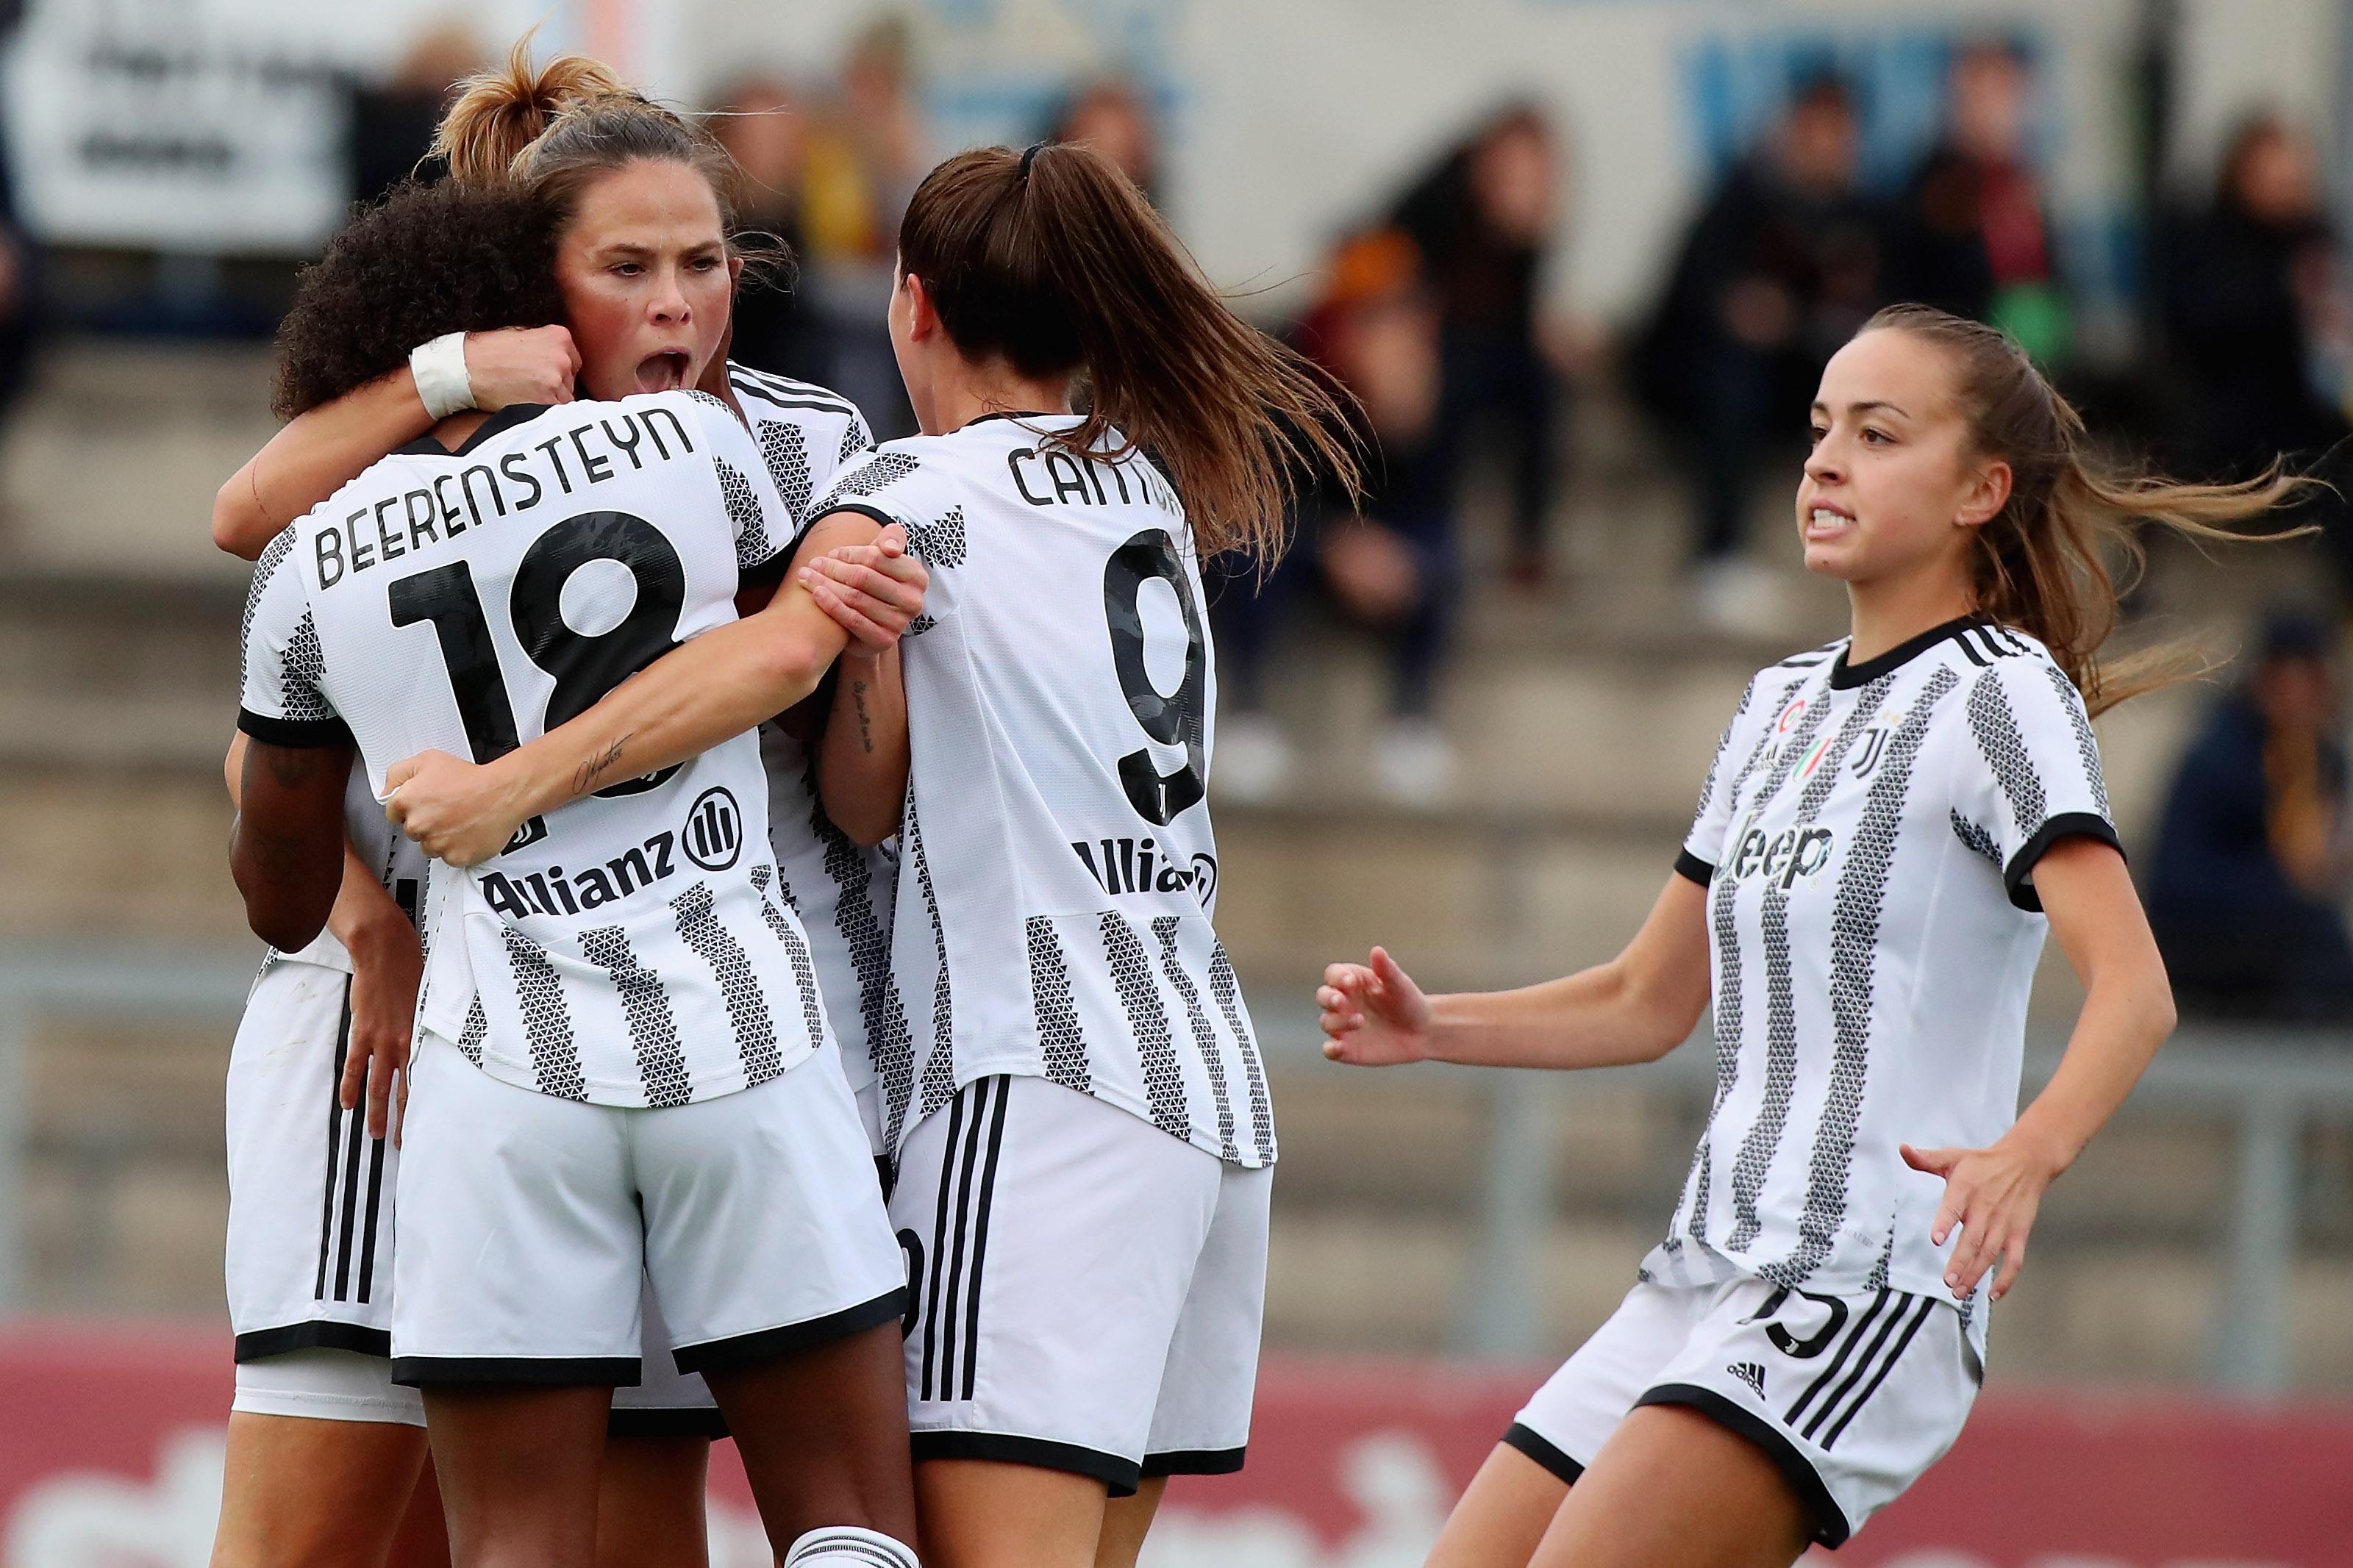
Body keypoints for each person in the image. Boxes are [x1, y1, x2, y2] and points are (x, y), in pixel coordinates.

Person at [374, 138, 1362, 1568]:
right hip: (1207, 1096)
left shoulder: (906, 488)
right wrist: (881, 667)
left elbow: (799, 709)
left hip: (1041, 1086)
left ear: (914, 304)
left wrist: (511, 783)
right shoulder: (1142, 485)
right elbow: (879, 788)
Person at [1320, 304, 2297, 1566]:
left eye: (1878, 435)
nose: (1827, 462)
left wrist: (2027, 1153)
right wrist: (1434, 1025)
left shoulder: (2003, 693)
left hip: (1861, 1282)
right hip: (1701, 1280)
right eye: (1821, 429)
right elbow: (1645, 997)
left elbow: (2135, 990)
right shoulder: (1778, 704)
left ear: (1982, 490)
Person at [209, 49, 908, 1564]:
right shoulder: (535, 449)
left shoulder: (791, 434)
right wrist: (371, 919)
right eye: (628, 267)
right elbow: (252, 589)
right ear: (529, 295)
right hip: (454, 1046)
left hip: (628, 1041)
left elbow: (854, 781)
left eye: (703, 262)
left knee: (591, 1524)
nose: (676, 302)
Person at [1215, 226, 1460, 804]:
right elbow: (1255, 500)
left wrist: (1404, 428)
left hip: (1379, 547)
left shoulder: (1432, 376)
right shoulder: (1285, 372)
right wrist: (1333, 544)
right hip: (1296, 543)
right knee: (1244, 551)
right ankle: (1246, 716)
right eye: (1372, 316)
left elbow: (1428, 505)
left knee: (1442, 557)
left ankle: (1411, 720)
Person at [1634, 76, 1885, 637]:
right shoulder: (1739, 200)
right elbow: (1689, 302)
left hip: (1802, 378)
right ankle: (1717, 554)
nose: (1826, 146)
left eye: (1838, 133)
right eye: (1815, 130)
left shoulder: (1862, 216)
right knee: (1732, 381)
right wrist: (1748, 309)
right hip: (1704, 379)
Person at [2162, 113, 2353, 587]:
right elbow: (2198, 327)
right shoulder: (2211, 240)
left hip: (2314, 414)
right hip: (2238, 424)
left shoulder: (2312, 238)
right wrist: (2284, 295)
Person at [2145, 610, 2353, 1021]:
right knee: (2316, 933)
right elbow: (2178, 880)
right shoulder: (2221, 755)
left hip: (2276, 924)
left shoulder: (2320, 754)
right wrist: (2283, 882)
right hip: (2202, 927)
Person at [1392, 104, 1563, 586]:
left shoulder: (1526, 220)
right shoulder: (1438, 199)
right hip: (1434, 341)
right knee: (1450, 397)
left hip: (1492, 343)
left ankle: (1529, 540)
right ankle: (1432, 529)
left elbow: (1519, 307)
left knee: (1541, 394)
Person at [1886, 40, 2065, 362]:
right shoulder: (1933, 185)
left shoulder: (2023, 180)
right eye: (1979, 97)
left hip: (2031, 357)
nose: (1993, 111)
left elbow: (2048, 279)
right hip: (1957, 355)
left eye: (2003, 95)